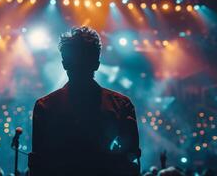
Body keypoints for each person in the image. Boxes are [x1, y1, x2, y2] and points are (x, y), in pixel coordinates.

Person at [29, 26, 141, 176]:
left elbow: (39, 164)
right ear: (97, 64)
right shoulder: (121, 105)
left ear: (64, 64)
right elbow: (131, 157)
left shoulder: (45, 106)